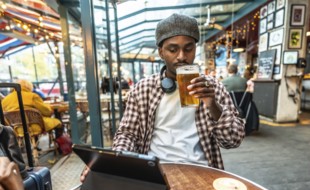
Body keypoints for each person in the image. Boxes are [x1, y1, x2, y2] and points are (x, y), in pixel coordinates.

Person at [81, 13, 245, 180]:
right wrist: (112, 163)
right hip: (156, 173)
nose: (181, 56)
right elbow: (128, 134)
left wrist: (213, 106)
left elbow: (233, 140)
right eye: (173, 49)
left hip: (201, 172)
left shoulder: (213, 86)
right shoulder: (143, 89)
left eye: (188, 48)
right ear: (161, 52)